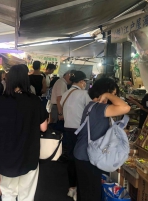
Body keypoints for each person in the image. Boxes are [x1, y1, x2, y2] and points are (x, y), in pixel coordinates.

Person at [0, 65, 48, 201]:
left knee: (8, 193)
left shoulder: (2, 101)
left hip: (7, 155)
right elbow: (44, 127)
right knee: (26, 195)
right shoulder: (34, 101)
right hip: (29, 154)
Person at [74, 78, 130, 201]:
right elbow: (125, 108)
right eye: (113, 94)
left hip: (84, 154)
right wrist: (107, 95)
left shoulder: (91, 106)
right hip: (88, 157)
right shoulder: (99, 108)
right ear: (105, 92)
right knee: (91, 194)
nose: (114, 98)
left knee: (86, 192)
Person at [60, 71, 91, 201]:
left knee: (71, 159)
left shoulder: (66, 94)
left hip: (67, 129)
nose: (85, 84)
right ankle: (79, 189)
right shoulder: (84, 94)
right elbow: (92, 108)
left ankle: (71, 187)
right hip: (80, 131)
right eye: (84, 81)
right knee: (81, 159)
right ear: (81, 81)